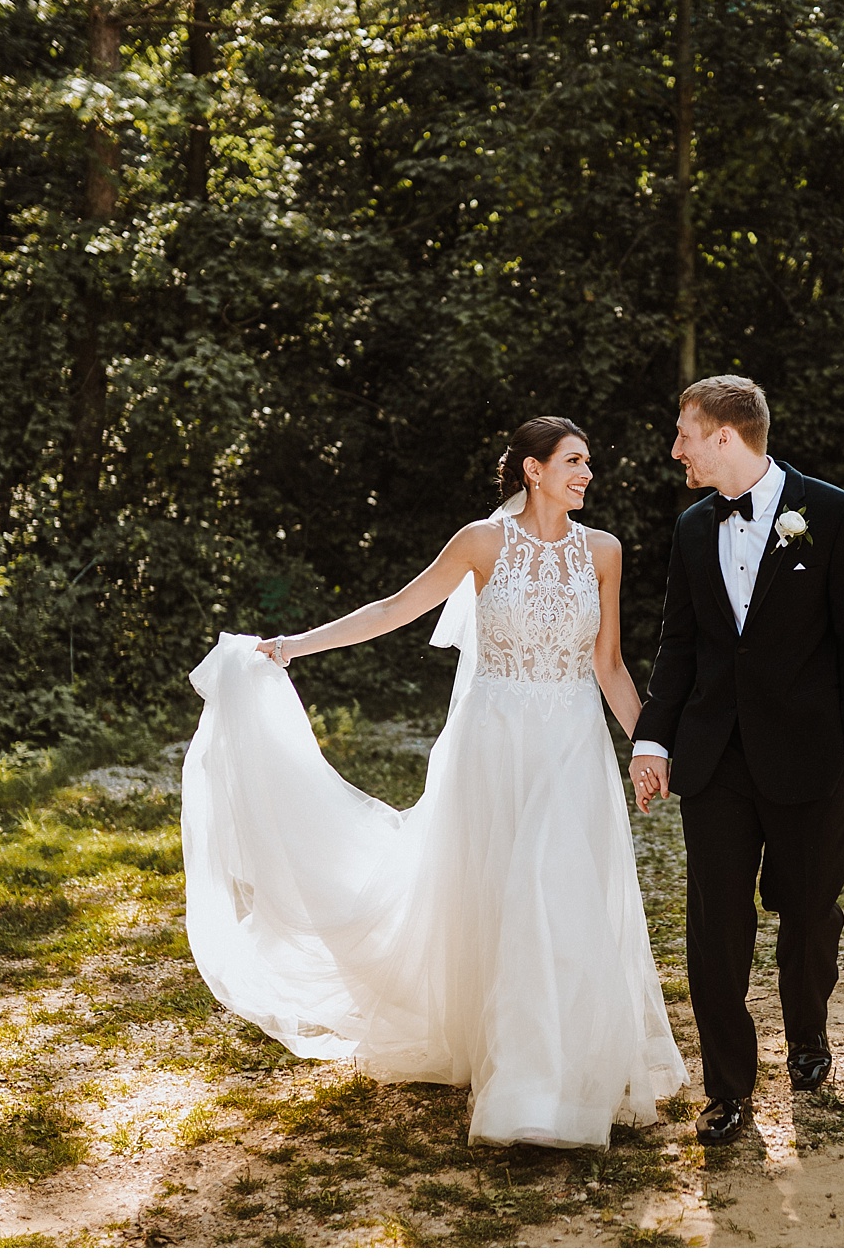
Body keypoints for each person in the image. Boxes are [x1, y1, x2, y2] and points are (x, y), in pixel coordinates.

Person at [180, 416, 685, 1149]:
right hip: (495, 742)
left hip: (571, 744)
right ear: (533, 470)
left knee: (561, 894)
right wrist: (291, 646)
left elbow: (607, 664)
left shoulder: (602, 551)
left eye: (587, 463)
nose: (588, 475)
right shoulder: (482, 543)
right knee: (507, 900)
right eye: (574, 462)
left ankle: (565, 1071)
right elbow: (393, 609)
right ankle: (522, 1085)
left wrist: (650, 745)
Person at [628, 375, 844, 1148]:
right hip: (715, 763)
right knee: (717, 928)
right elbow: (679, 645)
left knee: (810, 913)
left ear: (724, 436)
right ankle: (728, 1093)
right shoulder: (688, 529)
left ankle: (807, 1037)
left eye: (684, 434)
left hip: (813, 758)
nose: (674, 449)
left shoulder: (836, 516)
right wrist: (653, 739)